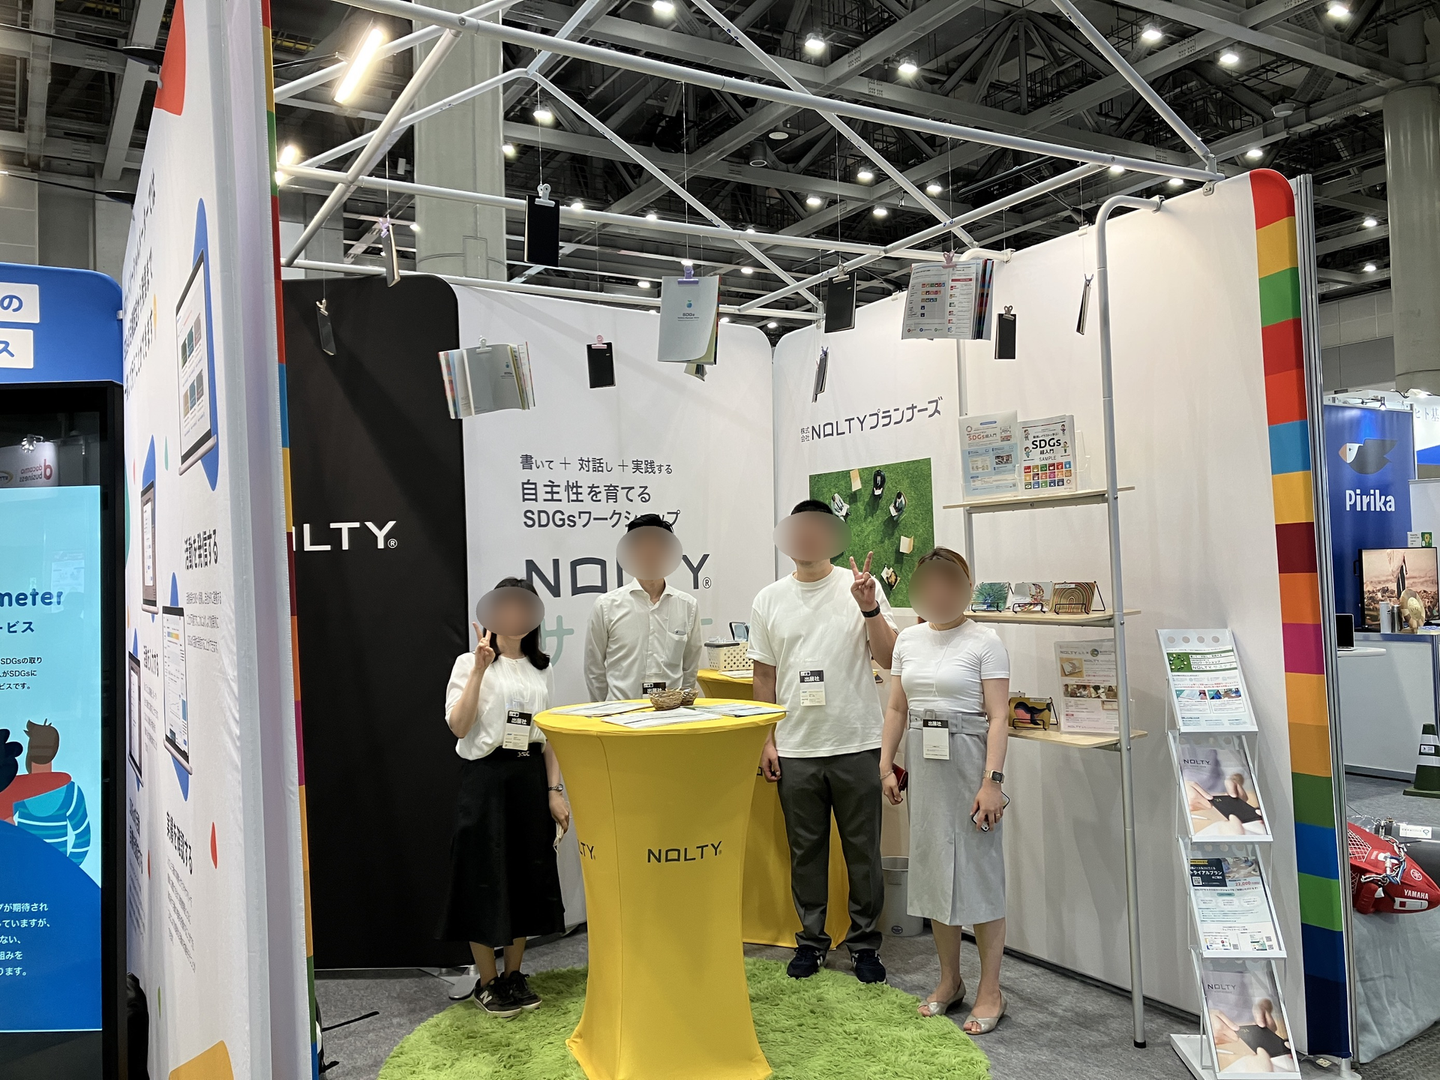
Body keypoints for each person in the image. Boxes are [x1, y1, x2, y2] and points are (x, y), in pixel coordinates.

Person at [749, 499, 898, 983]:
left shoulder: (859, 587)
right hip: (796, 747)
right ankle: (811, 942)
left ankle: (864, 944)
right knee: (805, 852)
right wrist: (766, 740)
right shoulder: (768, 599)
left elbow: (889, 657)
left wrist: (868, 606)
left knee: (863, 853)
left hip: (857, 741)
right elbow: (764, 676)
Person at [879, 547, 1010, 1034]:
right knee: (935, 872)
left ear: (965, 586)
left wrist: (992, 781)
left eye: (948, 582)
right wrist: (886, 764)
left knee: (980, 875)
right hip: (924, 761)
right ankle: (949, 980)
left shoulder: (985, 641)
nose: (939, 592)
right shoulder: (908, 640)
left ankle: (991, 990)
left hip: (971, 761)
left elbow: (999, 716)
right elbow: (897, 708)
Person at [441, 577, 571, 1019]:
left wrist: (554, 791)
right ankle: (488, 981)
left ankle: (514, 975)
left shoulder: (541, 667)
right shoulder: (469, 663)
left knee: (527, 877)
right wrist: (480, 669)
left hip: (529, 777)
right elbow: (459, 727)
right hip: (486, 778)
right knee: (482, 876)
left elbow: (549, 736)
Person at [584, 514, 703, 701]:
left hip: (671, 713)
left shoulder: (687, 606)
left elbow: (690, 667)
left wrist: (681, 704)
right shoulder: (607, 605)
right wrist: (605, 710)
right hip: (621, 712)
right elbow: (594, 669)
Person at [9, 721, 90, 865]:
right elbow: (83, 839)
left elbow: (83, 839)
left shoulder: (17, 788)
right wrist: (66, 869)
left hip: (25, 869)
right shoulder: (71, 792)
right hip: (37, 870)